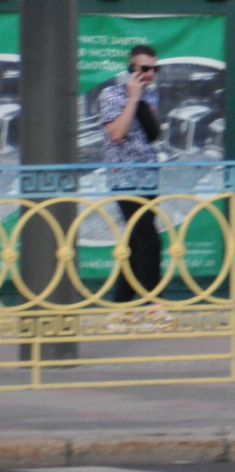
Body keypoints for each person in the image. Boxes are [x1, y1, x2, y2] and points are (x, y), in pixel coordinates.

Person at [98, 44, 164, 302]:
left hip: (149, 178)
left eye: (154, 69)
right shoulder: (111, 95)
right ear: (132, 68)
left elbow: (150, 135)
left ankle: (121, 306)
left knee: (136, 244)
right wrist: (133, 98)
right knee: (150, 242)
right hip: (124, 179)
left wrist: (142, 98)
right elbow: (116, 133)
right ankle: (153, 305)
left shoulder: (153, 96)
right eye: (145, 68)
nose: (150, 74)